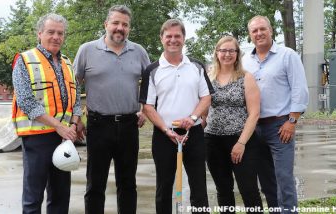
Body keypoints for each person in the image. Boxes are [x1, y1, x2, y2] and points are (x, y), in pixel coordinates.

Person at [72, 5, 150, 213]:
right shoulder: (87, 50)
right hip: (98, 126)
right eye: (115, 23)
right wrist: (76, 116)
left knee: (127, 184)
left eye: (125, 25)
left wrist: (144, 109)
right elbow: (73, 86)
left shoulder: (139, 51)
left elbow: (151, 85)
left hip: (129, 126)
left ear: (129, 29)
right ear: (106, 24)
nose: (120, 28)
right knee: (95, 185)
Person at [140, 19, 213, 214]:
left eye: (177, 36)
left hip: (194, 133)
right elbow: (147, 106)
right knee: (164, 187)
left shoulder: (196, 66)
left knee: (199, 187)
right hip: (165, 136)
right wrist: (165, 130)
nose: (173, 40)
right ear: (161, 39)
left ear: (184, 38)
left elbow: (206, 97)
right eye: (169, 36)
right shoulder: (152, 70)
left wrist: (193, 117)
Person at [12, 13, 82, 213]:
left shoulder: (68, 63)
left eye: (60, 33)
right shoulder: (24, 60)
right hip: (37, 138)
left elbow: (76, 99)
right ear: (40, 33)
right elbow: (26, 101)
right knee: (33, 196)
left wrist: (74, 124)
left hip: (64, 138)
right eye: (51, 32)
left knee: (60, 196)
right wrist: (59, 126)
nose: (56, 37)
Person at [242, 15, 309, 213]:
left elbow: (299, 90)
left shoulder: (288, 56)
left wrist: (292, 121)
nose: (259, 33)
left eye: (262, 29)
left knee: (284, 178)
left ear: (271, 31)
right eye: (254, 31)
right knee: (266, 179)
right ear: (250, 35)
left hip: (280, 126)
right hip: (254, 127)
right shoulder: (245, 61)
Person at [202, 36, 263, 213]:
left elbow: (254, 114)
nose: (227, 54)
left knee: (249, 190)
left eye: (231, 50)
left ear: (237, 54)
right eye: (223, 50)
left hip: (241, 141)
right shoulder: (208, 76)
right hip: (213, 141)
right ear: (217, 53)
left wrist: (241, 143)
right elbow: (204, 110)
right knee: (223, 190)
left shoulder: (246, 77)